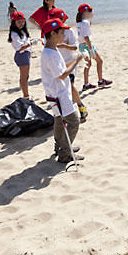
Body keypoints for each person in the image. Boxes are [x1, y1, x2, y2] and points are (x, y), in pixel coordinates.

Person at [40, 18, 85, 164]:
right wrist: (77, 62)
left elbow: (61, 67)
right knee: (73, 122)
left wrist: (74, 59)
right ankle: (65, 153)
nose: (64, 35)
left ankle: (60, 146)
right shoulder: (50, 53)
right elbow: (62, 74)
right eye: (61, 32)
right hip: (59, 94)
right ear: (53, 33)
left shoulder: (52, 49)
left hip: (56, 93)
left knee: (59, 121)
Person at [49, 7, 89, 122]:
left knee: (70, 85)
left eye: (61, 18)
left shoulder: (68, 31)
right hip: (57, 64)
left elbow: (75, 47)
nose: (60, 21)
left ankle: (81, 107)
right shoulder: (50, 32)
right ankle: (64, 113)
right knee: (61, 89)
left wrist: (63, 45)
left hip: (70, 63)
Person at [76, 4, 112, 90]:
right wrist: (91, 49)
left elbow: (83, 32)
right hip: (87, 46)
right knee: (99, 61)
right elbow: (86, 37)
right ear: (85, 12)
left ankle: (86, 83)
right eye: (90, 11)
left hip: (81, 45)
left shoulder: (79, 22)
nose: (92, 12)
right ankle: (100, 81)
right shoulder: (85, 23)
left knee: (88, 64)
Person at [8, 11, 33, 99]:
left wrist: (30, 42)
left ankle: (25, 93)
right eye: (19, 22)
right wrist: (31, 43)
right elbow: (19, 48)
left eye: (22, 21)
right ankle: (26, 95)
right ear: (14, 23)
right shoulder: (14, 33)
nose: (21, 23)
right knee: (24, 76)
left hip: (26, 54)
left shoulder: (23, 31)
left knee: (26, 76)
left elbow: (26, 42)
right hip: (21, 55)